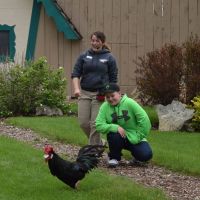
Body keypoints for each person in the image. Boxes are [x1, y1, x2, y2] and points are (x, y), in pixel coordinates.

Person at [71, 31, 118, 145]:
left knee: (95, 124)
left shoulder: (109, 57)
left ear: (102, 42)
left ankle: (93, 151)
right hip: (85, 93)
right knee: (83, 123)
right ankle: (99, 143)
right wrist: (77, 89)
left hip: (100, 95)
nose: (94, 43)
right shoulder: (84, 56)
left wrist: (110, 95)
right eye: (92, 40)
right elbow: (75, 74)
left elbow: (113, 79)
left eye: (97, 40)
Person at [95, 83, 153, 167]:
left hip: (134, 136)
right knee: (113, 134)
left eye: (112, 95)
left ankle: (136, 158)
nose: (110, 99)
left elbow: (145, 120)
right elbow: (98, 125)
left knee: (146, 155)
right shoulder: (104, 107)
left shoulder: (130, 103)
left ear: (119, 93)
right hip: (117, 137)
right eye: (107, 97)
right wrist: (115, 127)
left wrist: (137, 137)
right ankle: (114, 157)